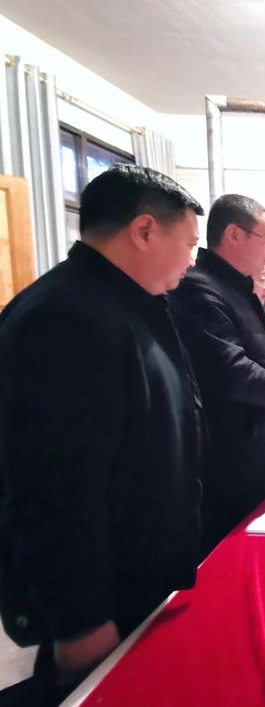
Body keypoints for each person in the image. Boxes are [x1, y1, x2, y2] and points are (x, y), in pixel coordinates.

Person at [0, 166, 204, 703]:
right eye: (189, 244)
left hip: (142, 573)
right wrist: (81, 621)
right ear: (144, 231)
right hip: (105, 598)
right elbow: (52, 488)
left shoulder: (132, 301)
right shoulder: (63, 317)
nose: (192, 258)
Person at [169, 194, 265, 554]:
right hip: (235, 462)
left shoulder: (239, 286)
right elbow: (232, 371)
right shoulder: (200, 288)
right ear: (234, 234)